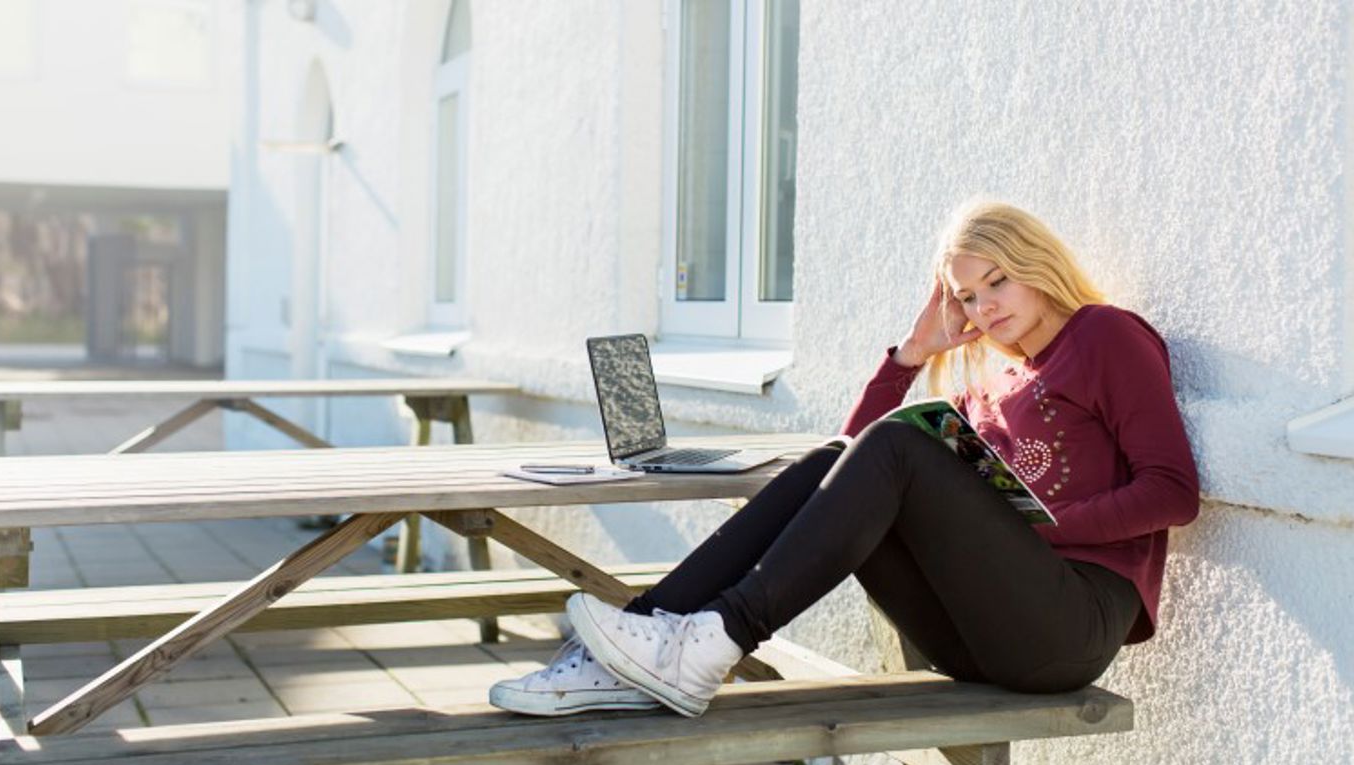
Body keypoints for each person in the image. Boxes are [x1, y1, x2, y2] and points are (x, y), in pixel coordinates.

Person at [490, 200, 1201, 718]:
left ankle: (718, 638)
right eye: (966, 296)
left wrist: (1040, 528)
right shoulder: (993, 377)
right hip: (976, 635)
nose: (984, 307)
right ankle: (631, 646)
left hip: (1069, 625)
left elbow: (1172, 492)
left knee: (895, 447)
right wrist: (911, 356)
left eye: (997, 282)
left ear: (1035, 265)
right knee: (832, 461)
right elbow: (849, 464)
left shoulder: (1104, 336)